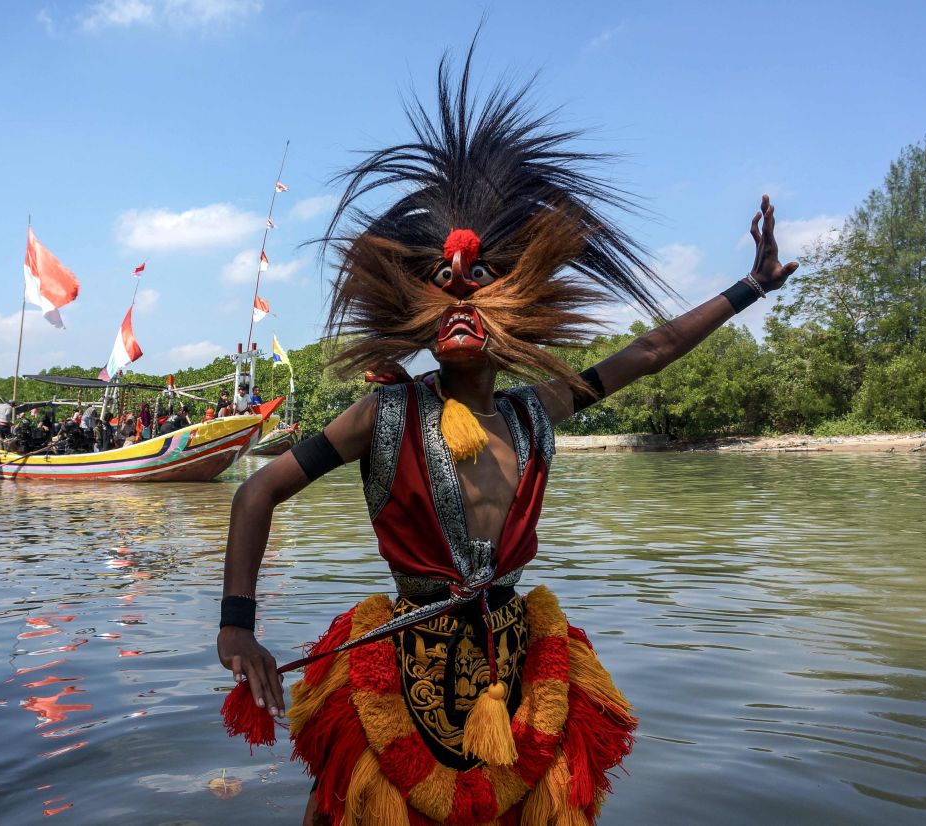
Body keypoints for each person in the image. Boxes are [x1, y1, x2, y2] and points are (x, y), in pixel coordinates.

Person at [216, 51, 798, 826]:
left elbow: (649, 352)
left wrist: (749, 289)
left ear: (516, 301)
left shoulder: (536, 411)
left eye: (481, 277)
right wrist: (237, 625)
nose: (460, 292)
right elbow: (260, 489)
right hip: (405, 667)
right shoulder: (384, 415)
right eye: (442, 280)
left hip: (519, 667)